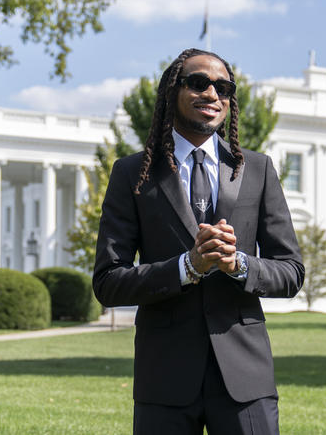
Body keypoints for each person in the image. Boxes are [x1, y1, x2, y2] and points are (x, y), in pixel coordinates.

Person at [93, 48, 305, 435]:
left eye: (223, 87)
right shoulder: (131, 174)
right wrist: (185, 268)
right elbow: (108, 281)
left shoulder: (257, 170)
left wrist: (237, 263)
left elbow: (290, 272)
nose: (212, 93)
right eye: (198, 82)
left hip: (246, 378)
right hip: (165, 378)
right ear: (172, 91)